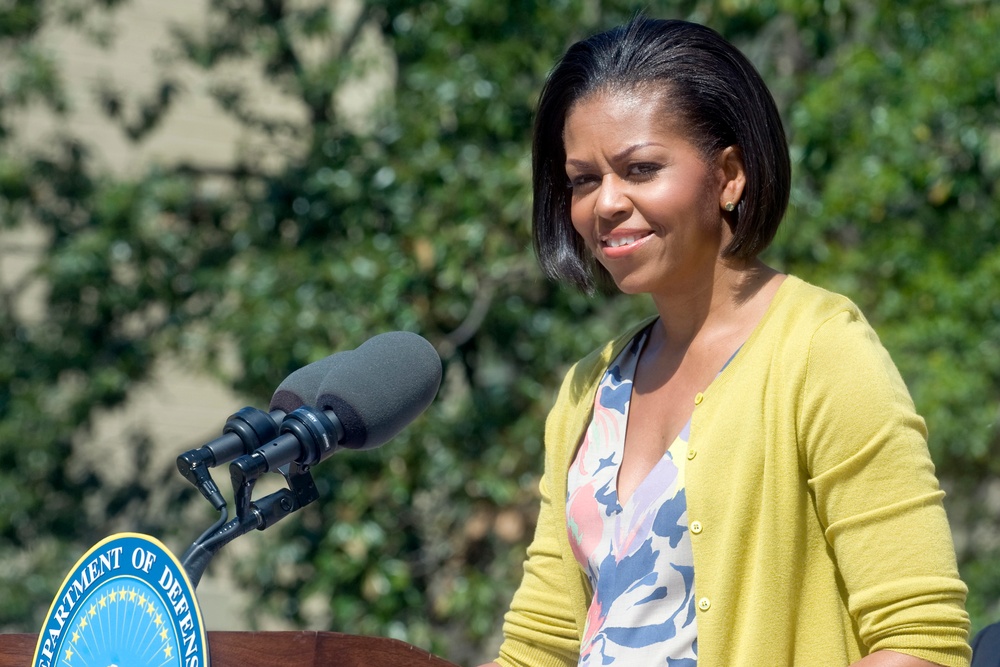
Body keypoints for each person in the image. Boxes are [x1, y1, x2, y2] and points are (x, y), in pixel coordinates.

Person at [477, 16, 971, 667]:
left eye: (641, 168)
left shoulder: (820, 351)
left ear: (730, 174)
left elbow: (920, 638)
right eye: (584, 179)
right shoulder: (585, 392)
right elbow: (539, 644)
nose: (606, 203)